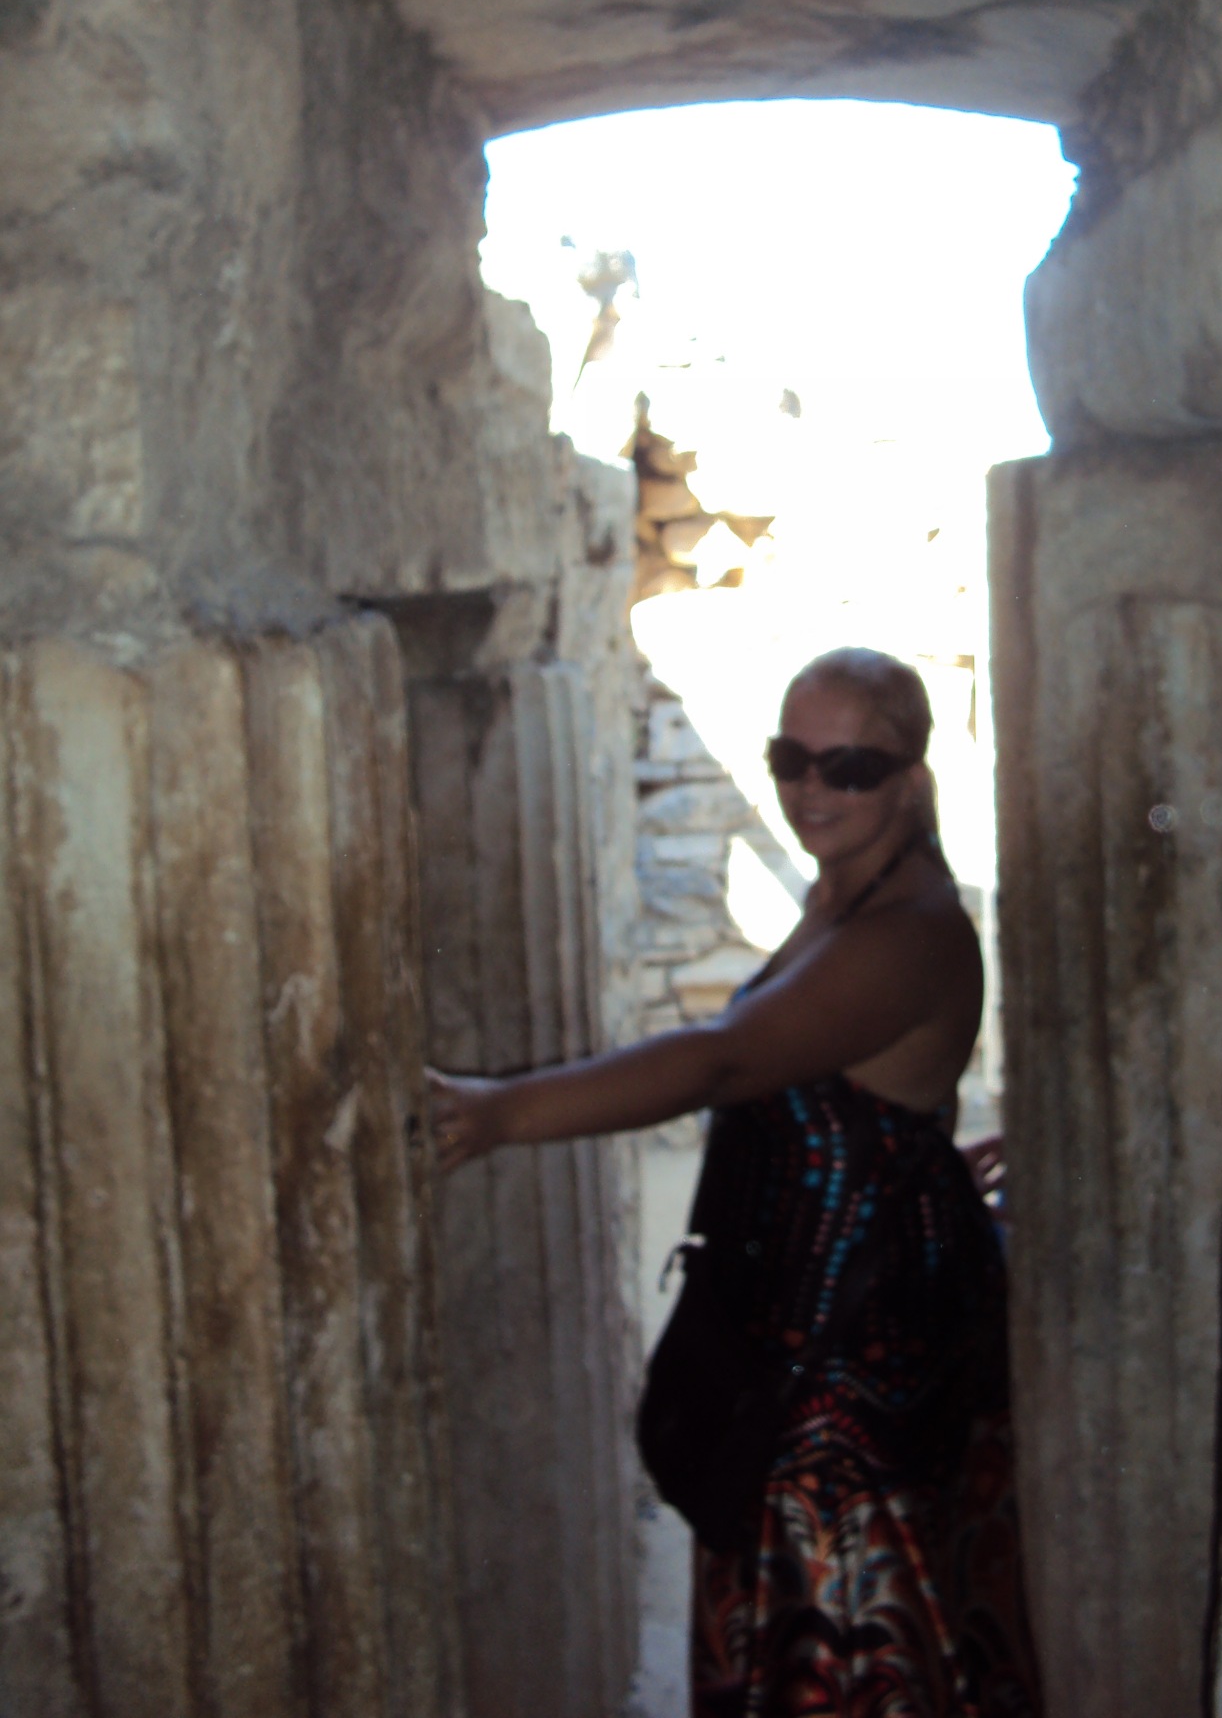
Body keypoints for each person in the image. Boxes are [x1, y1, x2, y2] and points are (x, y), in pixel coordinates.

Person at [429, 646, 1038, 1717]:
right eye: (789, 758)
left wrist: (495, 1112)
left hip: (852, 1377)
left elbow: (724, 1059)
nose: (810, 789)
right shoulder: (846, 890)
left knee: (849, 1648)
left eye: (849, 767)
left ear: (911, 777)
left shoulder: (908, 931)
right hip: (811, 1341)